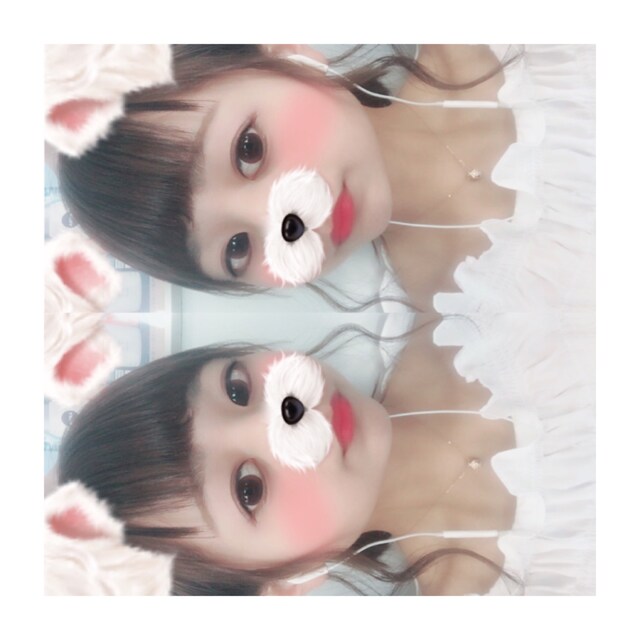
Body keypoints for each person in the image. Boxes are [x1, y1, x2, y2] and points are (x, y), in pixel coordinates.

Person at [56, 315, 594, 596]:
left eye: (237, 390)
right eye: (249, 489)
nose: (279, 417)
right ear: (278, 588)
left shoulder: (469, 296)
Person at [55, 44, 524, 304]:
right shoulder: (469, 329)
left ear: (284, 54)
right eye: (237, 247)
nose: (283, 221)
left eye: (249, 149)